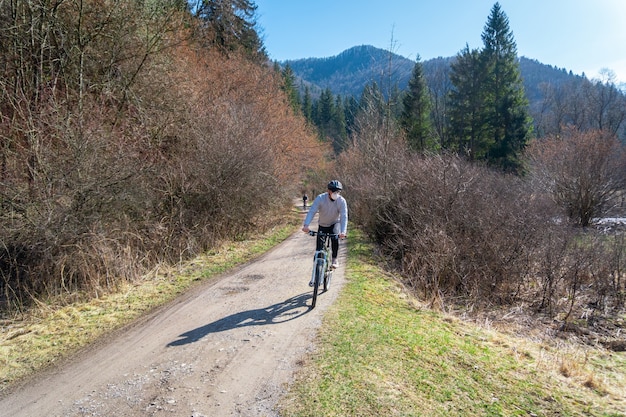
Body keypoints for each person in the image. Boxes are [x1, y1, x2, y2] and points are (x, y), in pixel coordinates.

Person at [302, 180, 348, 285]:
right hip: (322, 225)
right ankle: (314, 277)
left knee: (335, 238)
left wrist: (343, 231)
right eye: (334, 191)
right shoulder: (320, 198)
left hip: (334, 224)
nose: (336, 193)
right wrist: (306, 225)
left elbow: (344, 216)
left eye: (338, 191)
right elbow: (312, 211)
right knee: (318, 251)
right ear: (328, 191)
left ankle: (335, 259)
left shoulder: (341, 201)